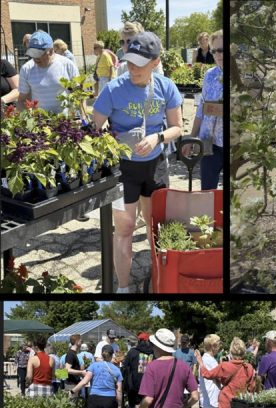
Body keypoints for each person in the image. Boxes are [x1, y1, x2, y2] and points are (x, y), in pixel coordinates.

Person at [93, 32, 182, 293]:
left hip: (155, 166)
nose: (132, 68)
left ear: (155, 62)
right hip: (124, 169)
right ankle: (123, 287)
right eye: (129, 61)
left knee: (156, 225)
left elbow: (177, 127)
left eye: (139, 63)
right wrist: (114, 140)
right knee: (126, 228)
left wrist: (158, 137)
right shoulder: (113, 89)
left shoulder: (166, 87)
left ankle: (160, 281)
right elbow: (93, 130)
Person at [184, 31, 223, 190]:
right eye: (214, 51)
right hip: (208, 141)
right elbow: (201, 108)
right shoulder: (209, 75)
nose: (218, 55)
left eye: (221, 50)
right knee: (207, 191)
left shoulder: (241, 76)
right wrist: (192, 137)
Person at [17, 30, 79, 113]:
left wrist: (81, 118)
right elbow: (22, 100)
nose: (35, 57)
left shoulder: (67, 65)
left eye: (38, 53)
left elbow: (78, 94)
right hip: (39, 122)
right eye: (32, 53)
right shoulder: (26, 69)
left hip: (65, 122)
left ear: (50, 50)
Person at [122, 332, 154, 408]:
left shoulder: (132, 352)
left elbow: (125, 368)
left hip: (134, 387)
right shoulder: (153, 353)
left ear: (138, 340)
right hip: (149, 386)